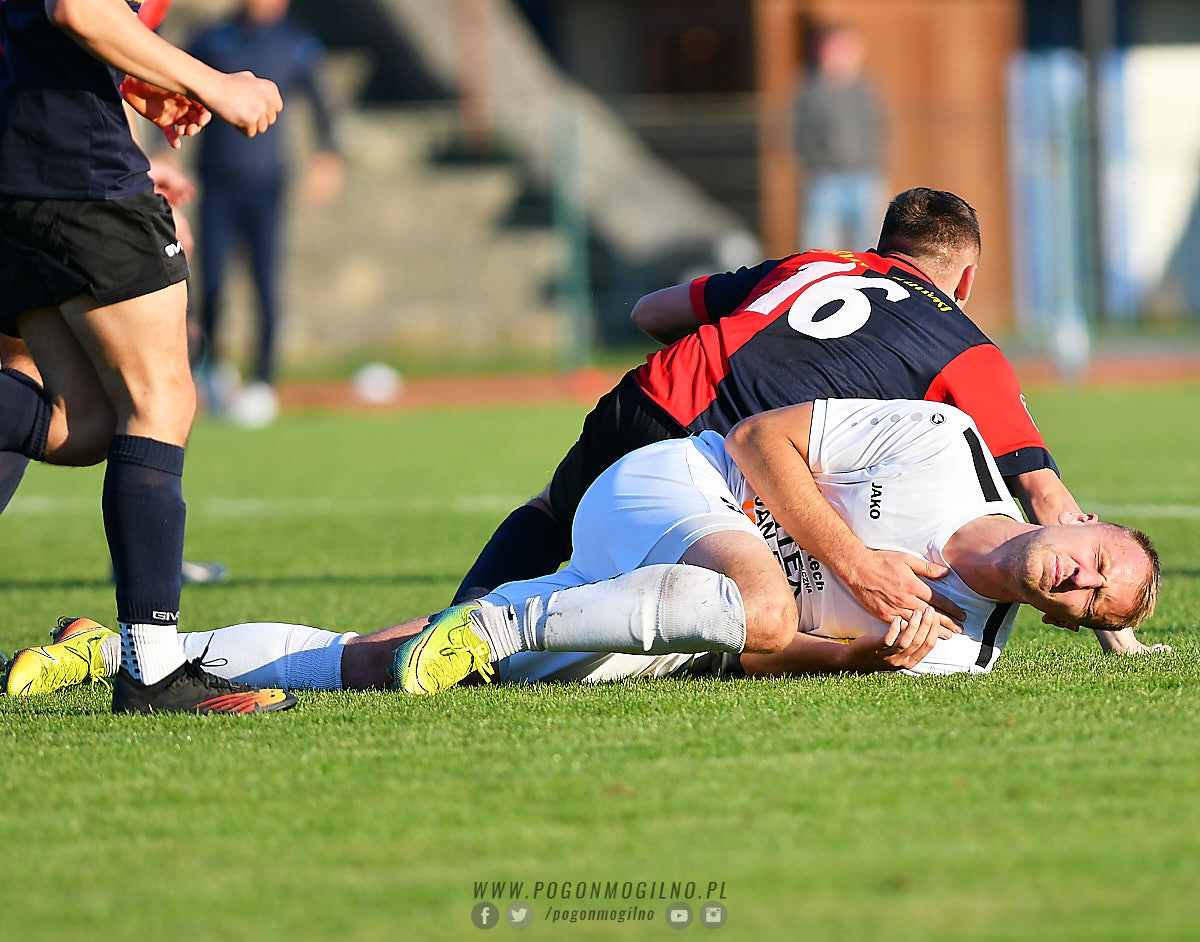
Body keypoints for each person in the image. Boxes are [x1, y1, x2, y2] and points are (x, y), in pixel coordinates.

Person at [6, 399, 1161, 698]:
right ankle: (497, 621)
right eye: (1107, 563)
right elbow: (758, 438)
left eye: (1095, 608)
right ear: (1087, 519)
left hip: (670, 612)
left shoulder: (961, 652)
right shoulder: (948, 445)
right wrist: (852, 565)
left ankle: (124, 654)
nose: (1087, 586)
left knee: (384, 661)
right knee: (760, 598)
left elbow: (761, 656)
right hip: (672, 485)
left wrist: (863, 655)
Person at [455, 187, 1162, 657]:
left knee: (552, 513)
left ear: (884, 246)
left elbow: (651, 312)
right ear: (966, 279)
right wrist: (1114, 631)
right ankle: (483, 638)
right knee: (702, 606)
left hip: (653, 397)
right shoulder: (969, 350)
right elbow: (1042, 491)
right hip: (734, 460)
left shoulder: (816, 262)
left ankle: (459, 621)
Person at [0, 0, 295, 713]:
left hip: (26, 159)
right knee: (160, 400)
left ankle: (152, 665)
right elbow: (78, 7)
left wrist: (132, 83)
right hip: (73, 168)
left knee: (86, 421)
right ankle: (153, 670)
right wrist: (214, 83)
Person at [186, 0, 343, 422]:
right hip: (217, 183)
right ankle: (213, 371)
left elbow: (323, 102)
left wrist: (329, 154)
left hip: (267, 185)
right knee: (212, 284)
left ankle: (263, 380)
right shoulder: (211, 39)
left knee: (266, 284)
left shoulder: (295, 43)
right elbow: (173, 84)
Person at [791, 24, 887, 252]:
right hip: (824, 178)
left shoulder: (866, 88)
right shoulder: (808, 88)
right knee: (819, 247)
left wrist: (875, 160)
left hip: (865, 175)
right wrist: (812, 164)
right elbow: (794, 131)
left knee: (870, 245)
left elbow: (881, 127)